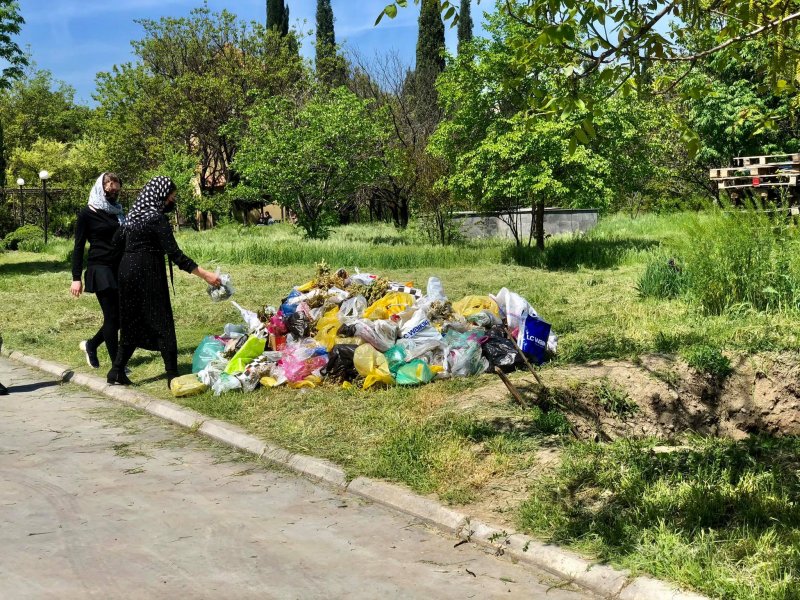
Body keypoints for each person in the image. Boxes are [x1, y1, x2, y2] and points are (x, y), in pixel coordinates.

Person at [107, 176, 222, 387]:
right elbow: (175, 254)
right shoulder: (156, 219)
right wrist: (206, 275)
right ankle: (172, 375)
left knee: (131, 321)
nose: (172, 201)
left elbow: (114, 245)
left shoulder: (131, 218)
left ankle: (116, 371)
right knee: (162, 322)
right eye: (171, 197)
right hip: (148, 272)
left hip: (126, 271)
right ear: (160, 195)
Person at [71, 173, 125, 369]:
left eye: (116, 191)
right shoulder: (87, 213)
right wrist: (76, 278)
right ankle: (118, 365)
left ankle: (91, 345)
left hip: (118, 268)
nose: (113, 195)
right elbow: (79, 247)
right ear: (101, 189)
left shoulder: (117, 212)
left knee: (119, 319)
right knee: (111, 317)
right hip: (100, 268)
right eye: (110, 191)